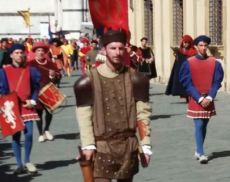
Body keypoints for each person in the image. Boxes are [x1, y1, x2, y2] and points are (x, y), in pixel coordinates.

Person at [74, 29, 152, 182]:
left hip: (128, 146)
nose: (117, 52)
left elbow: (143, 114)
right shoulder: (88, 81)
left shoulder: (137, 79)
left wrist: (146, 144)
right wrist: (88, 144)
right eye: (112, 48)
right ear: (104, 49)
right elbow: (84, 116)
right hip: (101, 145)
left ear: (125, 49)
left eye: (120, 48)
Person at [179, 35, 224, 164]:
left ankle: (198, 150)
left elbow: (217, 81)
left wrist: (210, 96)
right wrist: (199, 98)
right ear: (196, 47)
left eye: (205, 45)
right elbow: (187, 83)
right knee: (198, 124)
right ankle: (201, 152)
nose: (203, 48)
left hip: (209, 98)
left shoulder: (214, 62)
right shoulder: (189, 62)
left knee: (204, 125)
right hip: (196, 98)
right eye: (201, 45)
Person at [0, 44, 41, 174]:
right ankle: (19, 164)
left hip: (27, 105)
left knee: (28, 134)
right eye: (16, 52)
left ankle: (27, 161)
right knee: (16, 136)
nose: (19, 55)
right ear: (11, 55)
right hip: (12, 107)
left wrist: (33, 100)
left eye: (21, 52)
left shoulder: (31, 70)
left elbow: (36, 88)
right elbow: (3, 90)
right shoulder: (4, 71)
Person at [29, 42, 61, 142]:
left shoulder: (50, 63)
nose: (40, 52)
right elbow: (27, 78)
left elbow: (59, 76)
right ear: (35, 52)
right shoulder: (30, 64)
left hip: (49, 91)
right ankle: (40, 133)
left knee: (49, 111)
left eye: (42, 51)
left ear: (45, 52)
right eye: (38, 50)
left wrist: (53, 76)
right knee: (38, 113)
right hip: (36, 92)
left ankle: (47, 129)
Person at [165, 35, 197, 99]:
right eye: (184, 42)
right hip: (183, 71)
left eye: (187, 42)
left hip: (191, 71)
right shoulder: (180, 51)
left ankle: (191, 96)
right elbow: (177, 64)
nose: (185, 44)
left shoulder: (194, 52)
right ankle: (186, 96)